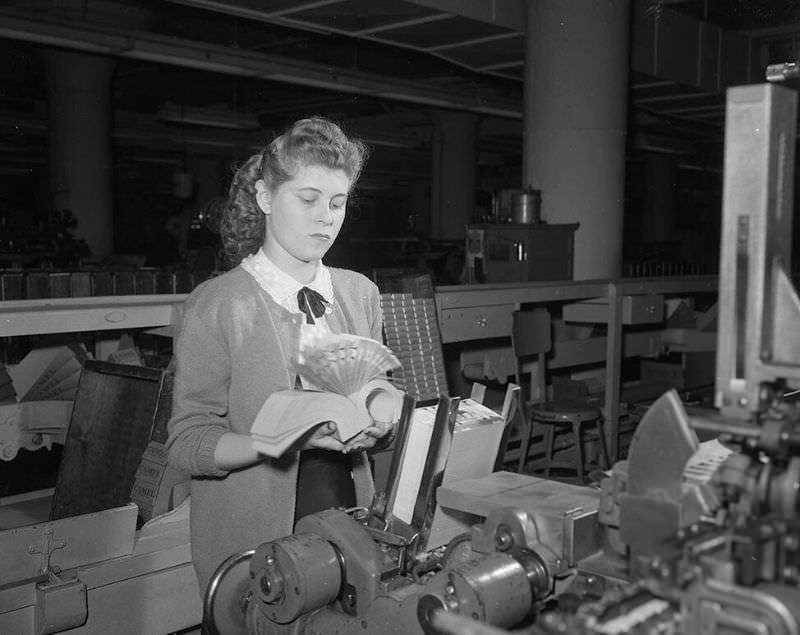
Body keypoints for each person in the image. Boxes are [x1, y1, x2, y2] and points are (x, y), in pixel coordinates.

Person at [165, 117, 395, 598]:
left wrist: (380, 417)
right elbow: (188, 440)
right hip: (254, 531)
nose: (325, 217)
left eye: (338, 203)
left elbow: (377, 388)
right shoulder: (219, 304)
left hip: (347, 511)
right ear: (267, 199)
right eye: (307, 199)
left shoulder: (360, 293)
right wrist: (270, 441)